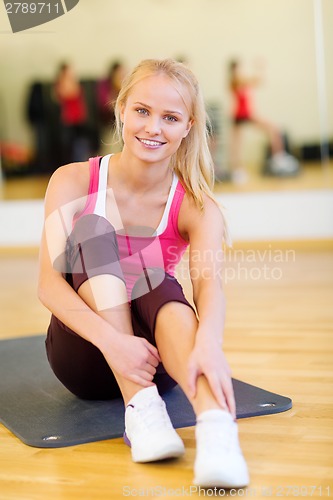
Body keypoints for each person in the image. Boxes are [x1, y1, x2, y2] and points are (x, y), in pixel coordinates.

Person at [38, 58, 249, 488]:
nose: (153, 127)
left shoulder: (196, 204)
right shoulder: (74, 180)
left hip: (157, 362)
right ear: (121, 109)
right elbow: (47, 284)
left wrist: (209, 341)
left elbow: (210, 285)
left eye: (170, 117)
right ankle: (142, 412)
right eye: (142, 111)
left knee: (155, 279)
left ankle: (216, 429)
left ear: (188, 126)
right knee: (95, 230)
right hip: (86, 356)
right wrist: (114, 343)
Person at [228, 59, 298, 183]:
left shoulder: (241, 80)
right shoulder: (235, 80)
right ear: (234, 69)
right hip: (240, 115)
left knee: (274, 129)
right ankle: (237, 170)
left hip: (247, 114)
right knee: (237, 145)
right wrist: (259, 68)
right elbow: (254, 80)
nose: (240, 70)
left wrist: (261, 69)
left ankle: (278, 157)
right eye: (238, 68)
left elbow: (258, 81)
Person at [53, 62, 89, 163]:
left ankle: (80, 162)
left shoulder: (74, 82)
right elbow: (69, 94)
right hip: (68, 120)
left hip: (79, 119)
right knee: (70, 147)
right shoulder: (61, 84)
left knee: (81, 145)